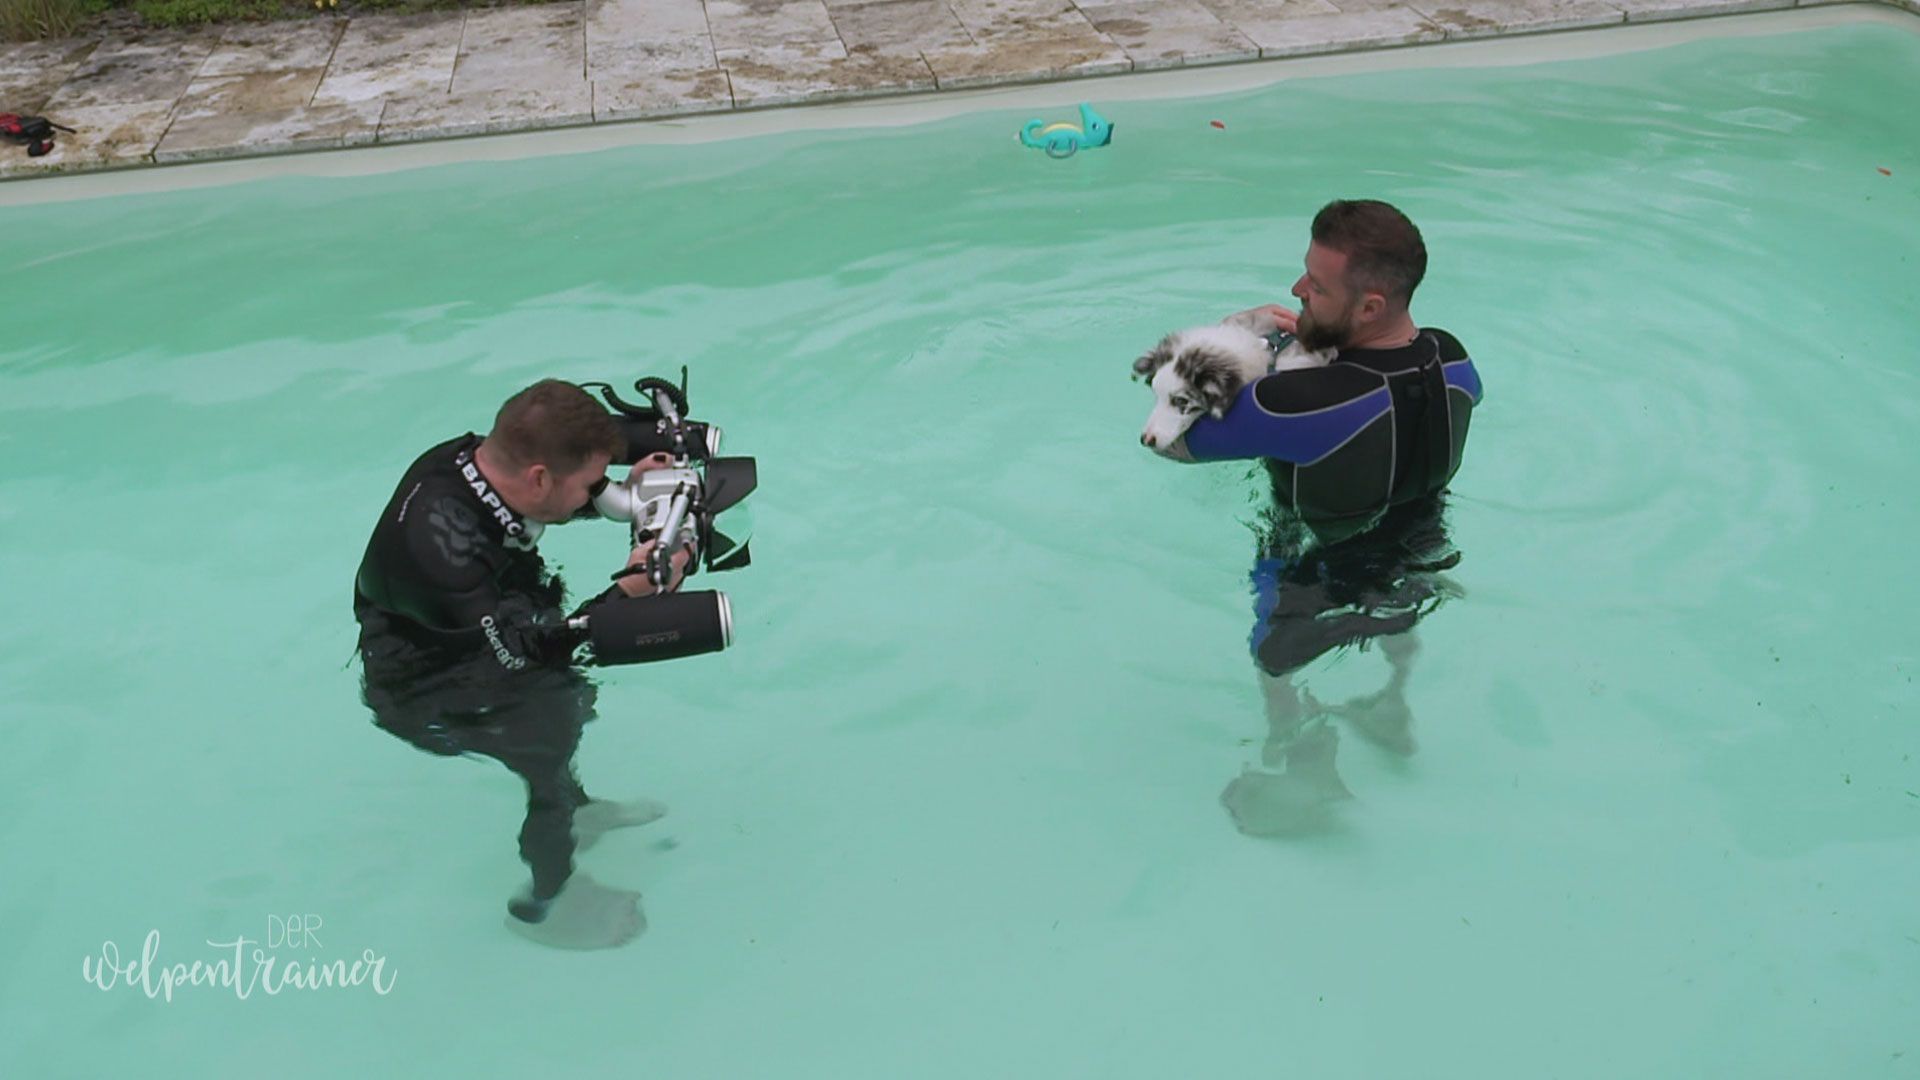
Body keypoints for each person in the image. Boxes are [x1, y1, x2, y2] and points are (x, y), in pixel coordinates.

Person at [1153, 199, 1484, 836]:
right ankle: (1392, 708)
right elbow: (1380, 390)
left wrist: (1237, 333)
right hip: (1423, 544)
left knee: (1273, 657)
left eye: (1318, 287)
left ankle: (1303, 769)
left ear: (1369, 308)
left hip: (1315, 564)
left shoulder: (1294, 405)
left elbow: (1172, 441)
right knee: (1399, 601)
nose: (1297, 291)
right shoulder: (1454, 358)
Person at [353, 378, 694, 949]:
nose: (598, 490)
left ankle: (580, 814)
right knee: (546, 750)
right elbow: (516, 655)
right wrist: (625, 597)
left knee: (570, 708)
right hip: (430, 678)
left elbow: (547, 497)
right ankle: (551, 900)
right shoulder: (442, 554)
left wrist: (625, 490)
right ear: (539, 477)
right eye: (590, 483)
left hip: (482, 611)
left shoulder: (468, 459)